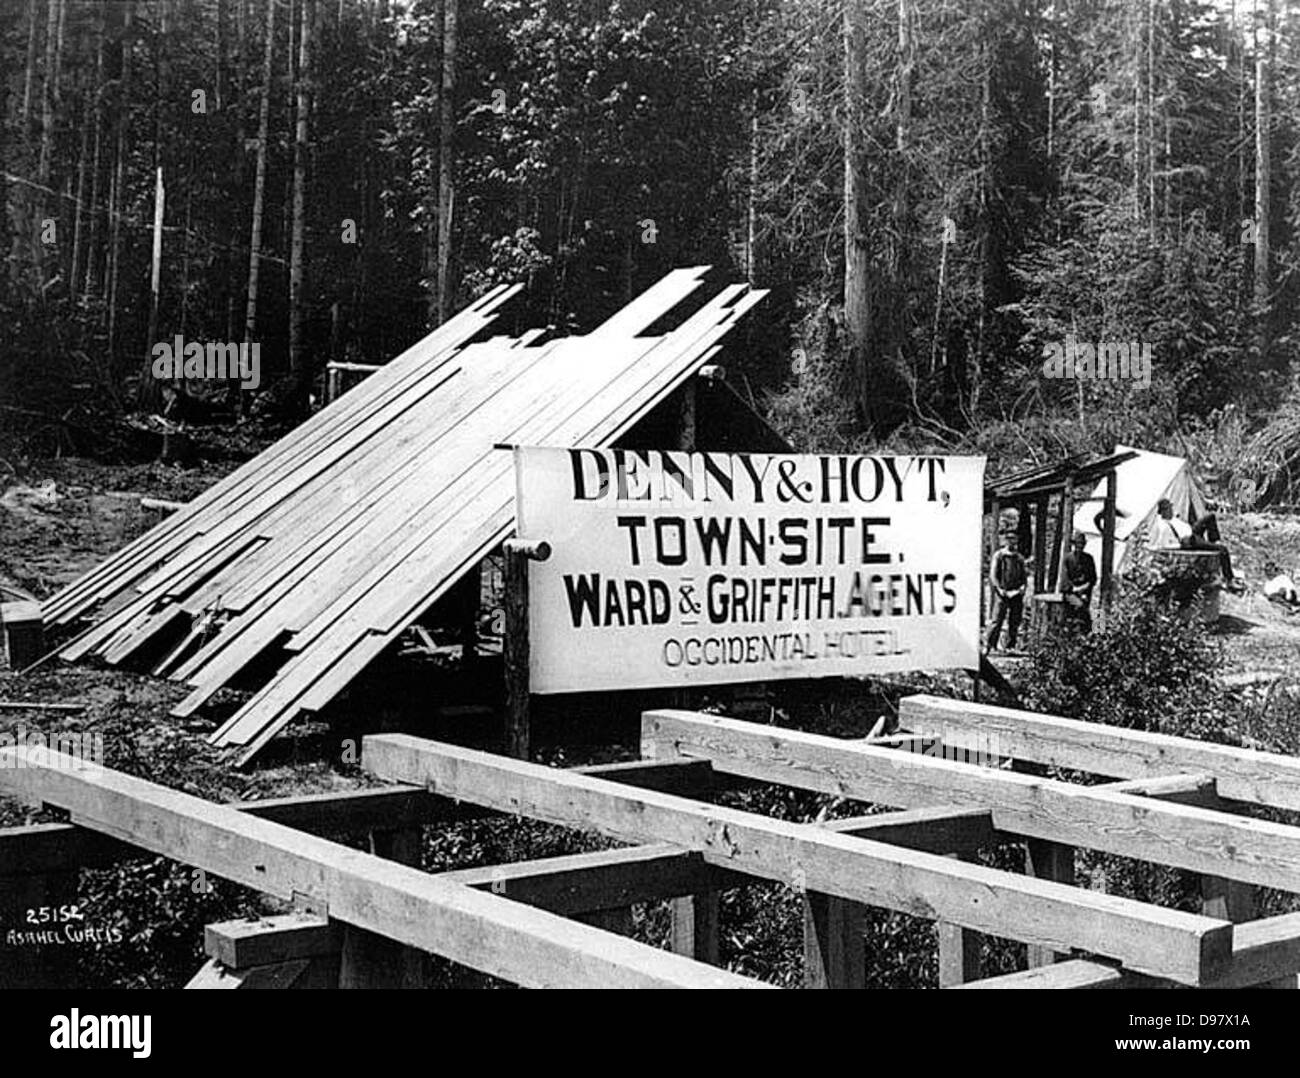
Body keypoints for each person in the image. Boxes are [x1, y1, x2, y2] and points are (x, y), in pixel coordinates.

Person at [1145, 498, 1243, 592]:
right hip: (1190, 541)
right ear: (1162, 512)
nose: (1170, 510)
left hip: (1192, 532)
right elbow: (1165, 545)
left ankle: (1214, 542)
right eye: (1167, 509)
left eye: (1170, 507)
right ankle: (1229, 579)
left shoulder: (1172, 519)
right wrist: (1181, 544)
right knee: (1223, 550)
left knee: (1210, 517)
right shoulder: (1163, 526)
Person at [986, 528, 1027, 652]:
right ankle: (989, 645)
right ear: (1005, 540)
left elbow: (1024, 577)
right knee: (997, 620)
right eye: (1008, 539)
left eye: (1013, 539)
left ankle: (1010, 646)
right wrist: (999, 588)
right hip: (1002, 592)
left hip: (1016, 594)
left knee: (1014, 621)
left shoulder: (1019, 557)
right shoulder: (999, 555)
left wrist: (1022, 588)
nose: (1011, 542)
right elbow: (993, 575)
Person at [1062, 532, 1097, 632]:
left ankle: (1098, 634)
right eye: (1077, 544)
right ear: (1074, 545)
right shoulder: (1068, 558)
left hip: (1086, 591)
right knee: (1080, 607)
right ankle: (1083, 632)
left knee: (1098, 610)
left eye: (1082, 544)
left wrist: (1086, 588)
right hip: (1071, 592)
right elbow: (1065, 579)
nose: (1080, 546)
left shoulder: (1089, 559)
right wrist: (1075, 589)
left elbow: (1093, 578)